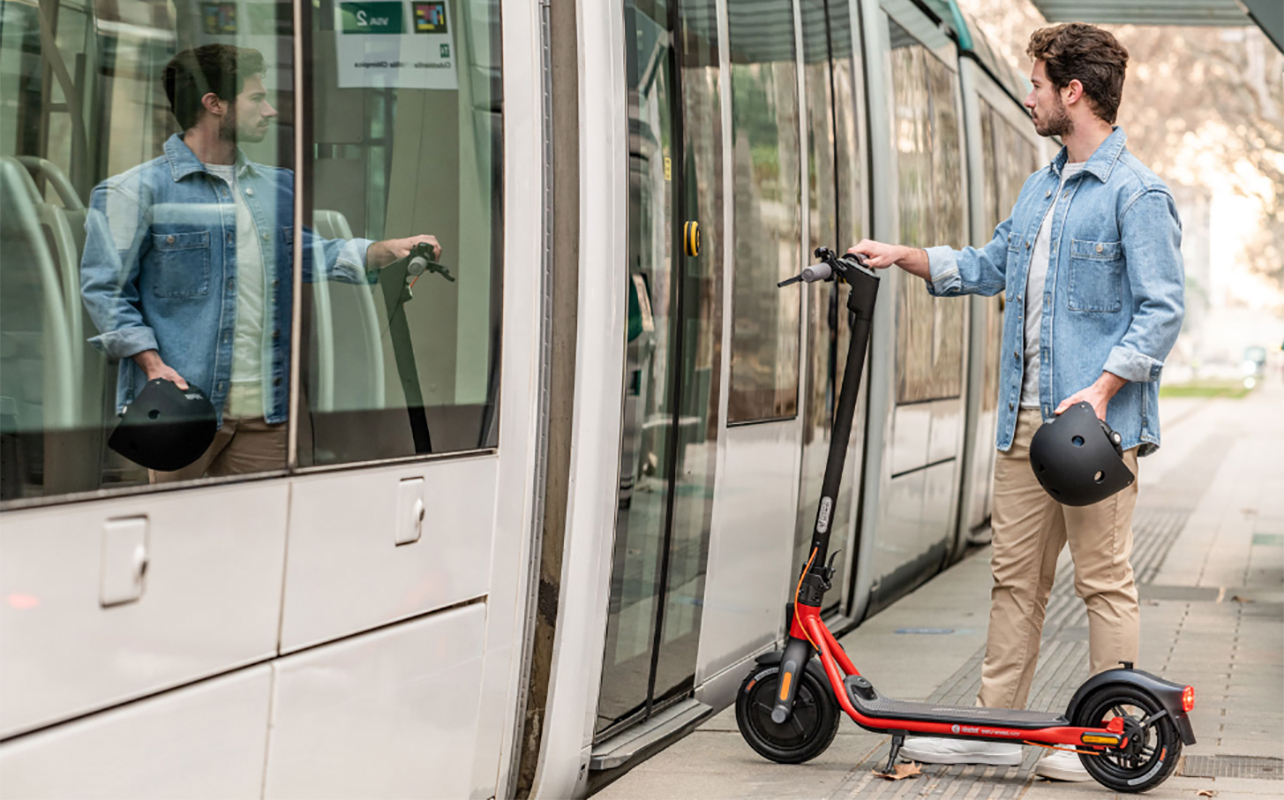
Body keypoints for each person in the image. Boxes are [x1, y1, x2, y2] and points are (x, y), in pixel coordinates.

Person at [849, 23, 1184, 781]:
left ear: (1073, 91)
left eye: (1036, 84)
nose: (1028, 96)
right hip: (1022, 423)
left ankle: (1106, 737)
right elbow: (990, 263)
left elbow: (1160, 310)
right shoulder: (1041, 186)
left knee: (1102, 582)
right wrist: (905, 255)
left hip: (1093, 430)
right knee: (1014, 582)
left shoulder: (1138, 193)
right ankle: (996, 730)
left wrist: (1101, 390)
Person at [81, 44, 439, 481]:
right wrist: (153, 366)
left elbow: (307, 253)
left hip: (267, 414)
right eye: (256, 98)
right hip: (184, 407)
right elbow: (106, 290)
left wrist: (381, 250)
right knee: (181, 539)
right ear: (214, 105)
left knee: (261, 541)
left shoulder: (278, 187)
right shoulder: (132, 193)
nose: (269, 110)